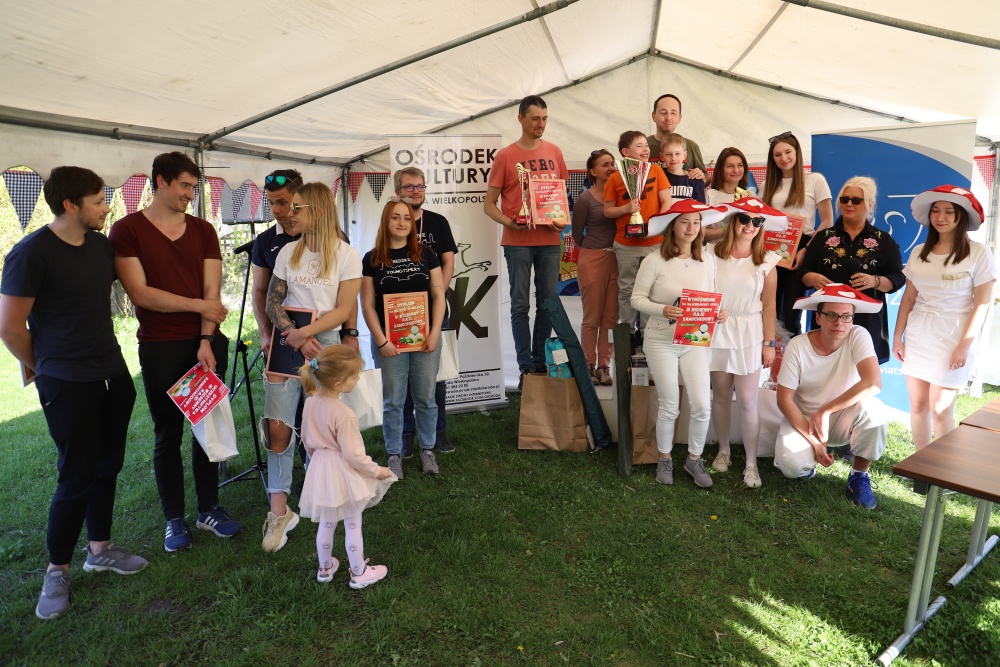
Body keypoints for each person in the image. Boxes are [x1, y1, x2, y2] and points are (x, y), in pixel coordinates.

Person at [0, 166, 147, 620]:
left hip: (113, 374)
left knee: (108, 464)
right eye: (99, 201)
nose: (107, 207)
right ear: (70, 205)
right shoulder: (31, 253)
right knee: (76, 472)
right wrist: (49, 365)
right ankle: (57, 569)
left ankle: (99, 549)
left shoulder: (101, 246)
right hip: (66, 382)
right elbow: (9, 327)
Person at [109, 151, 240, 552]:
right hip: (159, 346)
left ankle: (209, 509)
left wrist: (206, 339)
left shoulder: (203, 230)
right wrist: (200, 307)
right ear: (160, 182)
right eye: (184, 186)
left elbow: (212, 290)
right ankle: (174, 519)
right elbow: (141, 294)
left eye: (194, 188)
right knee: (168, 434)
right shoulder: (127, 229)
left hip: (205, 343)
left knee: (207, 429)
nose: (189, 194)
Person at [260, 182, 362, 552]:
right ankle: (279, 512)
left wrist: (306, 334)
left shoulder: (347, 254)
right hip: (289, 344)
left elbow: (342, 309)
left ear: (317, 212)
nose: (290, 213)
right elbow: (273, 302)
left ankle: (332, 499)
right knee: (278, 428)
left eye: (297, 208)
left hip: (324, 345)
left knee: (327, 428)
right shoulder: (288, 252)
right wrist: (295, 335)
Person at [630, 199, 728, 488]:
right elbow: (636, 299)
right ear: (672, 226)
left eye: (696, 222)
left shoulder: (707, 260)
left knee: (702, 404)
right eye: (684, 222)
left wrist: (718, 313)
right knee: (670, 404)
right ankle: (665, 458)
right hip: (661, 339)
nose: (691, 228)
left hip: (694, 339)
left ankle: (694, 459)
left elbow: (711, 295)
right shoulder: (654, 260)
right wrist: (662, 309)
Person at [894, 186, 997, 452]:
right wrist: (897, 336)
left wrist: (964, 345)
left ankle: (941, 468)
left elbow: (982, 304)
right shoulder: (920, 251)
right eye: (936, 211)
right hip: (919, 333)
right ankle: (920, 464)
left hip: (954, 335)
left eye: (949, 212)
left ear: (961, 216)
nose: (941, 217)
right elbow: (908, 297)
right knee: (917, 405)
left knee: (940, 409)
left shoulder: (978, 253)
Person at [774, 284, 887, 509]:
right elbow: (784, 399)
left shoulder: (858, 335)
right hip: (804, 418)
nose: (839, 323)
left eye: (846, 316)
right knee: (792, 468)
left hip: (842, 417)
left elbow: (873, 383)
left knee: (874, 410)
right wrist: (816, 442)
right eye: (832, 315)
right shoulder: (798, 345)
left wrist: (825, 411)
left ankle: (859, 475)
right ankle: (810, 459)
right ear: (818, 318)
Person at [484, 95, 568, 389]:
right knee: (520, 305)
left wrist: (561, 220)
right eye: (535, 119)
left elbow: (560, 197)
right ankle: (525, 369)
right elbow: (489, 204)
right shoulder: (505, 156)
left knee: (547, 305)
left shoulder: (555, 152)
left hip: (549, 241)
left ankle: (541, 364)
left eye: (544, 119)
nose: (540, 124)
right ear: (520, 119)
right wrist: (510, 223)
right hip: (517, 243)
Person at [361, 198, 447, 479]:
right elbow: (367, 305)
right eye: (395, 217)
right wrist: (381, 341)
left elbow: (439, 296)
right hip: (389, 344)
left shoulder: (427, 255)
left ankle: (428, 450)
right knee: (393, 402)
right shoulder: (372, 259)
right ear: (386, 221)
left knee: (426, 398)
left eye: (407, 218)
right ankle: (394, 454)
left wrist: (434, 333)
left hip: (425, 341)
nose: (401, 223)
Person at [297, 346, 395, 588]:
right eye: (355, 377)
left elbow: (306, 440)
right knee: (353, 522)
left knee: (327, 521)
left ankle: (325, 568)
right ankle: (359, 572)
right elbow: (354, 455)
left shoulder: (310, 402)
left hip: (320, 466)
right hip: (342, 470)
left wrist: (317, 463)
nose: (358, 379)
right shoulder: (344, 413)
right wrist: (378, 471)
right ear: (338, 384)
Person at [709, 198, 784, 488]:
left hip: (751, 333)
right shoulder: (711, 253)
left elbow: (769, 306)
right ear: (733, 220)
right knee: (721, 395)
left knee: (749, 400)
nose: (750, 226)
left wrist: (769, 343)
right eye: (745, 219)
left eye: (757, 221)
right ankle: (723, 451)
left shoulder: (767, 261)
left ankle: (751, 463)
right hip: (718, 330)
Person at [799, 177, 904, 364]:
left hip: (868, 322)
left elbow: (898, 279)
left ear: (870, 204)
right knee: (822, 372)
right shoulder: (822, 238)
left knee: (863, 376)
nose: (849, 204)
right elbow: (802, 273)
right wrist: (812, 277)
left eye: (856, 200)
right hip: (827, 322)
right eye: (844, 199)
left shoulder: (884, 241)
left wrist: (875, 281)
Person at [395, 167, 459, 456]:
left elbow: (448, 263)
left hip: (434, 308)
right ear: (398, 192)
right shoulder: (391, 224)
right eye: (409, 187)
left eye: (420, 186)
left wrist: (437, 298)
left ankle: (437, 431)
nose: (416, 191)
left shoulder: (438, 222)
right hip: (401, 311)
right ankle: (407, 435)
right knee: (404, 374)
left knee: (436, 375)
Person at [604, 130, 673, 344]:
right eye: (639, 145)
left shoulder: (656, 171)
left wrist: (656, 225)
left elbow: (667, 202)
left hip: (654, 242)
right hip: (626, 244)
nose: (646, 149)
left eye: (646, 145)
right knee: (627, 288)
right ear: (626, 152)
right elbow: (608, 211)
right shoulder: (615, 178)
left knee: (652, 289)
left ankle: (647, 333)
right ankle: (628, 332)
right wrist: (626, 208)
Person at [761, 132, 833, 334]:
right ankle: (771, 351)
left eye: (788, 152)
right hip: (772, 248)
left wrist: (805, 250)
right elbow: (762, 220)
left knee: (791, 314)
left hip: (803, 245)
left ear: (797, 152)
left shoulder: (815, 180)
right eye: (777, 155)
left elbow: (827, 221)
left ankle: (793, 352)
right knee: (770, 309)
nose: (783, 158)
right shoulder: (767, 185)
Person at [571, 149, 619, 385]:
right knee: (592, 318)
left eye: (612, 163)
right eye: (605, 165)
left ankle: (604, 366)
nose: (611, 168)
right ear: (593, 171)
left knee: (611, 318)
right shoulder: (585, 199)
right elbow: (577, 234)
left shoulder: (623, 196)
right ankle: (588, 365)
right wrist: (594, 251)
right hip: (593, 258)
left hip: (618, 259)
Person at [646, 94, 707, 178]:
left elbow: (706, 177)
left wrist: (702, 177)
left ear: (679, 118)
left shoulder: (691, 146)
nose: (668, 117)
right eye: (663, 112)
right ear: (654, 116)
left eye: (673, 113)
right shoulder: (643, 146)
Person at [659, 133, 706, 204]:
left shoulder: (696, 179)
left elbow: (701, 206)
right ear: (662, 157)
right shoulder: (659, 179)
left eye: (677, 154)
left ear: (684, 155)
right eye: (669, 154)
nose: (673, 158)